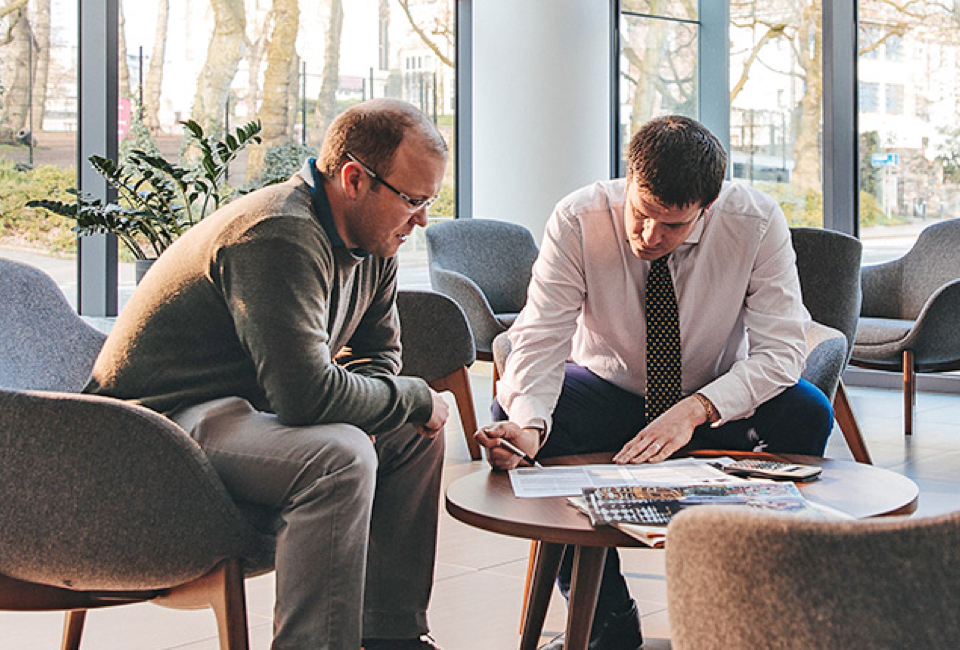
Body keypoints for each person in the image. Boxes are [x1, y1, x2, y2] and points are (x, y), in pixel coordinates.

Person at [86, 98, 450, 650]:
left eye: (429, 202)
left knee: (414, 434)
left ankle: (392, 637)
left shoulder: (376, 242)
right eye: (413, 200)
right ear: (354, 179)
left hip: (245, 412)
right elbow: (306, 397)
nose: (421, 219)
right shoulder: (279, 233)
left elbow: (379, 355)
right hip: (155, 427)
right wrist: (414, 396)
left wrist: (393, 408)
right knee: (340, 457)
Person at [474, 115, 833, 650]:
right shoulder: (578, 218)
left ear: (708, 206)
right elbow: (540, 337)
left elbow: (781, 351)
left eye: (673, 226)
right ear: (630, 178)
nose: (649, 236)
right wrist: (529, 426)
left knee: (807, 410)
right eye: (641, 213)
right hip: (609, 390)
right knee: (518, 416)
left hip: (714, 400)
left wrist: (696, 409)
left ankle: (746, 608)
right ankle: (609, 622)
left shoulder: (755, 222)